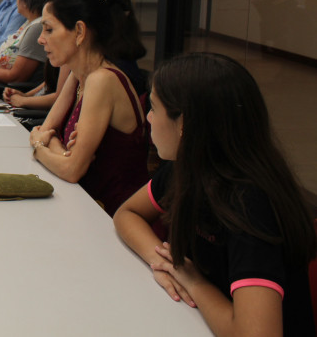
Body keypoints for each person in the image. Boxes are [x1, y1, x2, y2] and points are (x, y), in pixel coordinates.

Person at [114, 53, 316, 336]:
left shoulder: (249, 204)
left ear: (184, 124)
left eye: (154, 109)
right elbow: (127, 213)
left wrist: (194, 283)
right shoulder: (188, 168)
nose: (147, 119)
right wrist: (164, 263)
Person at [27, 0, 150, 216]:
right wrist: (56, 147)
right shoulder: (79, 73)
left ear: (80, 32)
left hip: (112, 218)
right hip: (83, 205)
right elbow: (47, 129)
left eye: (49, 29)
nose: (41, 39)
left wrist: (40, 147)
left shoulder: (102, 80)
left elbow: (72, 169)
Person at [3, 0, 96, 110]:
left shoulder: (72, 45)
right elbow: (51, 83)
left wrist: (23, 101)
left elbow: (59, 97)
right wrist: (26, 96)